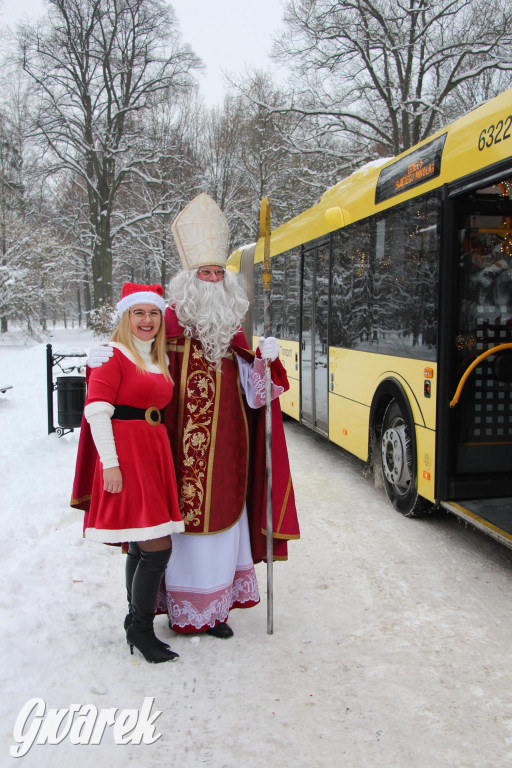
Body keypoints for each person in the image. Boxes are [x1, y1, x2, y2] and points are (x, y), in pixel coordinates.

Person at [86, 194, 300, 639]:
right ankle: (162, 611)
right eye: (206, 272)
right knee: (165, 534)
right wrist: (98, 360)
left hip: (227, 452)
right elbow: (130, 365)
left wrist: (267, 362)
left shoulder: (233, 329)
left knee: (221, 528)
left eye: (219, 272)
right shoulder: (164, 323)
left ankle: (214, 611)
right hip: (169, 450)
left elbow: (258, 396)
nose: (213, 278)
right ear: (189, 277)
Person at [72, 282, 185, 663]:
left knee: (142, 542)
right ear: (126, 317)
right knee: (158, 546)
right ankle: (140, 627)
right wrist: (111, 464)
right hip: (128, 455)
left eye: (153, 313)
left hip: (152, 453)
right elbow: (96, 411)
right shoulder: (113, 355)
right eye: (139, 313)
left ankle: (134, 621)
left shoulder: (155, 357)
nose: (147, 320)